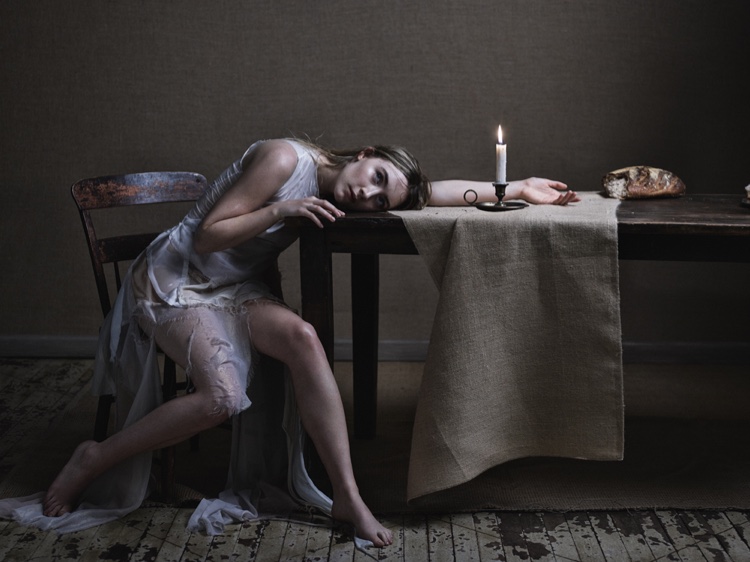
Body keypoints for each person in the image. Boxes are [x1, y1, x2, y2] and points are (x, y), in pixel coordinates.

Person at [20, 138, 578, 547]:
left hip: (234, 288)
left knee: (305, 338)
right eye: (376, 177)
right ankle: (94, 457)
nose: (368, 195)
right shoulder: (285, 160)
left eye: (380, 202)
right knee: (221, 396)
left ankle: (346, 496)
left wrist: (520, 186)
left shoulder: (358, 190)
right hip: (178, 280)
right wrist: (281, 209)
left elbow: (429, 195)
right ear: (363, 152)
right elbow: (209, 234)